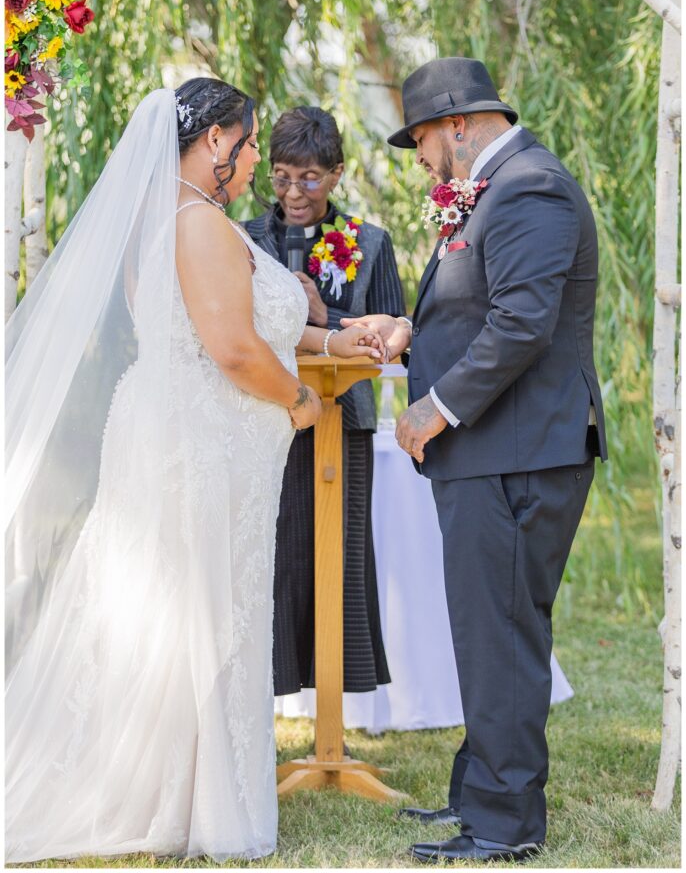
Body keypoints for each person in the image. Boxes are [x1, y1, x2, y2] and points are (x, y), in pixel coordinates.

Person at [5, 79, 385, 863]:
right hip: (200, 454)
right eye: (248, 149)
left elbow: (239, 327)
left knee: (188, 620)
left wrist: (332, 345)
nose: (252, 168)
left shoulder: (170, 221)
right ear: (216, 142)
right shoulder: (200, 225)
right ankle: (189, 800)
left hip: (184, 443)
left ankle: (175, 787)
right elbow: (235, 349)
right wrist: (299, 405)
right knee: (202, 617)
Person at [345, 57, 607, 864]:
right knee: (487, 628)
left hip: (518, 453)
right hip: (496, 452)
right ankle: (480, 794)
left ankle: (503, 825)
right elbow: (478, 306)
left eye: (420, 139)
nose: (420, 157)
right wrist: (411, 333)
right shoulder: (500, 189)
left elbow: (523, 324)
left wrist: (437, 406)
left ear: (457, 124)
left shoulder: (531, 186)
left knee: (503, 631)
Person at [244, 106, 405, 699]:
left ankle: (337, 709)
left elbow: (393, 345)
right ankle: (274, 688)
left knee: (339, 559)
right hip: (267, 419)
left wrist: (324, 318)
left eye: (309, 178)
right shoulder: (244, 238)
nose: (292, 193)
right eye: (281, 176)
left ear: (337, 173)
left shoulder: (371, 243)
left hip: (346, 423)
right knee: (274, 555)